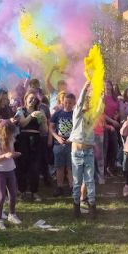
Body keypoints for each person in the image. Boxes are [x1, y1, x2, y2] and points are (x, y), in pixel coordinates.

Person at [69, 81, 97, 219]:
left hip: (89, 152)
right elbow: (79, 103)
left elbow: (99, 107)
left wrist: (100, 95)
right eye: (86, 100)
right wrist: (84, 89)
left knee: (90, 181)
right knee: (76, 182)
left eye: (89, 101)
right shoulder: (77, 114)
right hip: (77, 153)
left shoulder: (92, 116)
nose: (87, 102)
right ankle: (76, 208)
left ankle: (92, 207)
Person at [14, 89, 48, 201]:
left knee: (35, 167)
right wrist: (32, 115)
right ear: (26, 98)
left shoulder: (39, 111)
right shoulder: (20, 110)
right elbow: (22, 123)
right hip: (23, 140)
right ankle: (22, 191)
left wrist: (44, 120)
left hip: (36, 140)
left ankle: (34, 192)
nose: (33, 101)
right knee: (22, 166)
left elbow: (45, 130)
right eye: (30, 98)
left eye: (34, 99)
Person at [0, 119, 22, 230]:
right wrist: (4, 156)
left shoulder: (11, 139)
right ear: (3, 131)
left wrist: (14, 154)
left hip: (10, 169)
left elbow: (10, 153)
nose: (10, 134)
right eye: (8, 132)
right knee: (1, 196)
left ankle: (12, 214)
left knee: (13, 194)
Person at [49, 93, 76, 196]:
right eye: (66, 102)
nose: (68, 104)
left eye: (70, 103)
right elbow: (51, 128)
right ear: (62, 102)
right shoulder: (57, 114)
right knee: (59, 167)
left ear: (74, 103)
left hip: (71, 144)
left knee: (70, 167)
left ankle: (72, 187)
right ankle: (59, 187)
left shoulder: (75, 114)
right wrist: (57, 137)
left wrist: (72, 140)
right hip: (58, 144)